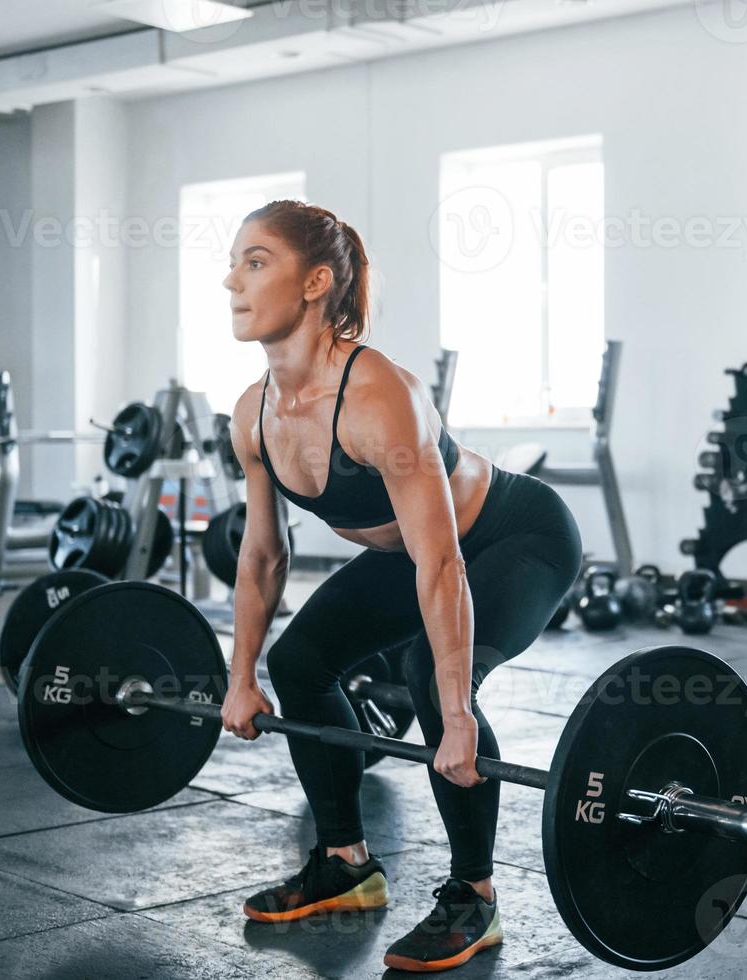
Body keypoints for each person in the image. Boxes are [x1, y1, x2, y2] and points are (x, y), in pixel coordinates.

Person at [218, 200, 583, 972]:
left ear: (316, 283)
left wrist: (455, 718)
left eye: (255, 262)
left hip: (515, 537)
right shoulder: (253, 415)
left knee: (429, 671)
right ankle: (346, 862)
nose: (232, 281)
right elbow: (260, 557)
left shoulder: (378, 394)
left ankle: (474, 895)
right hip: (412, 552)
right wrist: (240, 677)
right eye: (234, 262)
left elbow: (444, 563)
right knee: (301, 662)